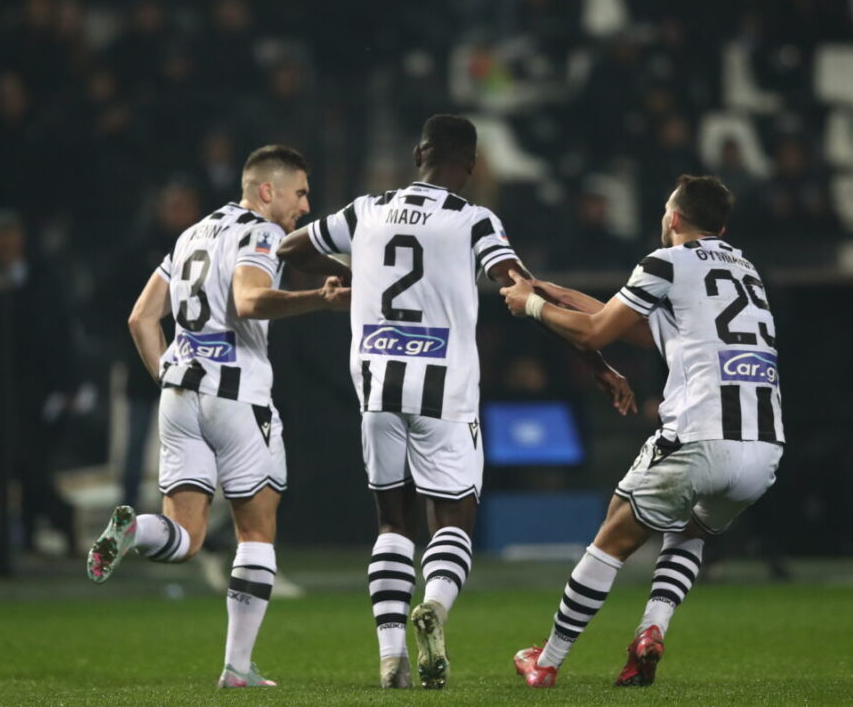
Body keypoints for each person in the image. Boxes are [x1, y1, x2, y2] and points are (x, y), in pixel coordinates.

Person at [277, 114, 635, 690]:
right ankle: (435, 607)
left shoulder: (367, 209)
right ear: (469, 165)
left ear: (418, 154)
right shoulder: (473, 220)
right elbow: (523, 291)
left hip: (376, 384)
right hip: (443, 389)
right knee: (453, 520)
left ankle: (390, 658)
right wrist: (596, 363)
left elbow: (292, 246)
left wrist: (352, 269)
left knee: (391, 521)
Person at [501, 174, 784, 688]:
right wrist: (554, 291)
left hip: (699, 436)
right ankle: (650, 634)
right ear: (720, 227)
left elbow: (596, 332)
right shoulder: (746, 270)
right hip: (763, 451)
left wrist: (533, 305)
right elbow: (640, 328)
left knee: (613, 535)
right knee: (689, 531)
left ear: (673, 217)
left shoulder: (666, 261)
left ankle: (547, 661)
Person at [85, 145, 349, 689]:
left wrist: (170, 379)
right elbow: (249, 301)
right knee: (256, 531)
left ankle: (134, 529)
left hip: (179, 397)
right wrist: (318, 300)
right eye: (300, 193)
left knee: (185, 536)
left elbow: (141, 319)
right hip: (237, 398)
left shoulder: (192, 234)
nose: (306, 205)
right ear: (268, 190)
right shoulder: (262, 232)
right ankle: (237, 667)